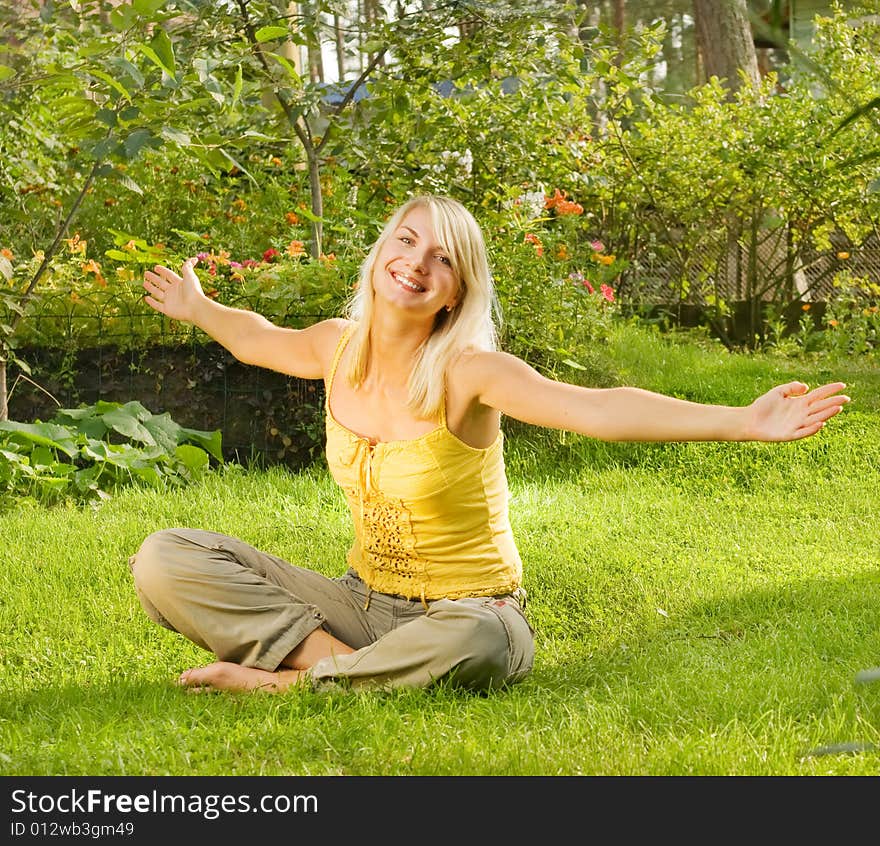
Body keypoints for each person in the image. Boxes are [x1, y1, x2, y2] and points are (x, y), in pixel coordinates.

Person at [130, 194, 850, 694]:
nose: (417, 262)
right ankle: (341, 672)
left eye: (442, 259)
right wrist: (200, 308)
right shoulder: (336, 346)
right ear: (381, 255)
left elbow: (595, 409)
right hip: (360, 601)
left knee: (483, 641)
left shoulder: (471, 373)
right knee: (166, 557)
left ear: (454, 292)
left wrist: (740, 420)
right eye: (406, 241)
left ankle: (284, 687)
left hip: (468, 612)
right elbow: (260, 339)